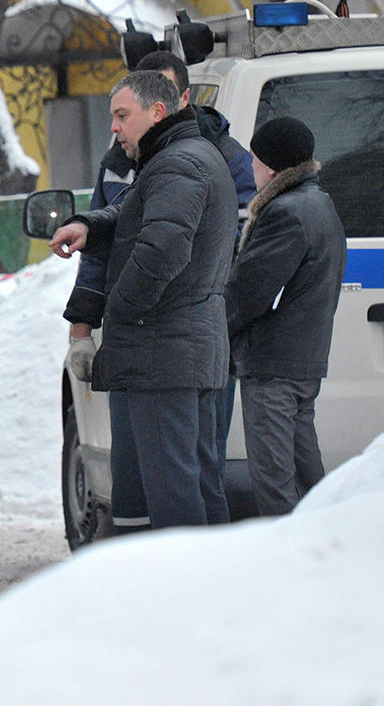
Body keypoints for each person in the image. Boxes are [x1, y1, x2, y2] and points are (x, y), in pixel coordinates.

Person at [49, 71, 236, 530]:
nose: (114, 127)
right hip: (183, 347)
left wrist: (119, 315)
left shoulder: (177, 164)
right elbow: (139, 212)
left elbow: (161, 251)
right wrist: (91, 227)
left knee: (173, 491)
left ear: (157, 112)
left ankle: (187, 594)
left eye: (121, 115)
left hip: (165, 351)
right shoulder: (181, 157)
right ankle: (218, 590)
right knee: (195, 483)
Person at [133, 52, 257, 484]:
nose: (157, 105)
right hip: (156, 337)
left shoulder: (215, 157)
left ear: (184, 96)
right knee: (161, 470)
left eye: (165, 94)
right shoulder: (123, 157)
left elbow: (239, 243)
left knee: (195, 469)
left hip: (199, 326)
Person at [225, 117, 346, 516]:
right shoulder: (319, 203)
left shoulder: (285, 214)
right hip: (301, 359)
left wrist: (213, 332)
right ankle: (325, 549)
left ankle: (293, 562)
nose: (250, 169)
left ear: (273, 167)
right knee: (306, 473)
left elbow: (247, 292)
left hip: (272, 364)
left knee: (275, 481)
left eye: (254, 160)